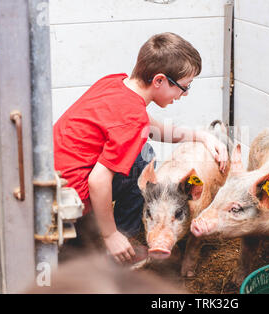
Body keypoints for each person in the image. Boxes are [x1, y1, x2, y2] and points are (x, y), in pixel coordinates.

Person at [53, 32, 228, 264]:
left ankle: (95, 230)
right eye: (183, 87)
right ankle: (121, 240)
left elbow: (152, 128)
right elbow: (98, 180)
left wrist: (202, 136)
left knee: (140, 155)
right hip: (69, 199)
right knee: (143, 164)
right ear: (159, 81)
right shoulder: (132, 120)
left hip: (53, 182)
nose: (184, 94)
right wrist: (110, 235)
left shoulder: (115, 83)